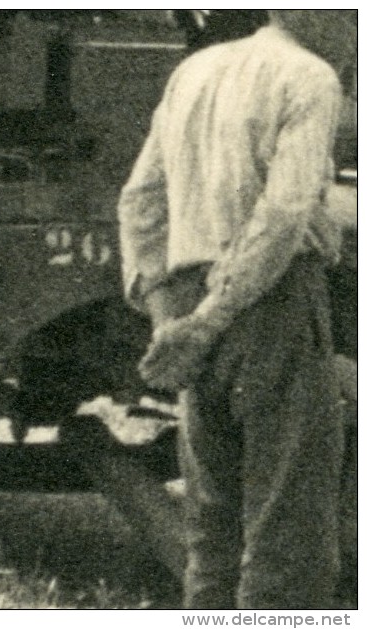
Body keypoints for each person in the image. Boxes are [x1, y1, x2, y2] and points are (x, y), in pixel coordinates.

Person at [118, 10, 356, 609]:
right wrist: (213, 319)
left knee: (212, 526)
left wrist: (170, 320)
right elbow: (281, 215)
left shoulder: (194, 71)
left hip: (195, 298)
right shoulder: (311, 77)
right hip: (268, 303)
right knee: (288, 526)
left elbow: (140, 202)